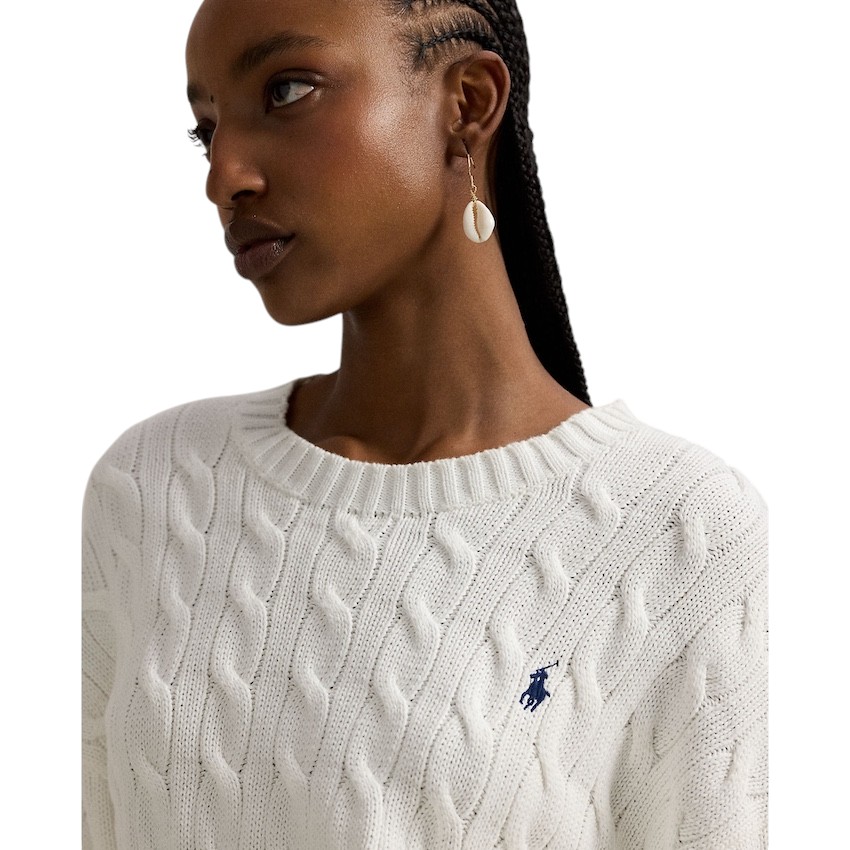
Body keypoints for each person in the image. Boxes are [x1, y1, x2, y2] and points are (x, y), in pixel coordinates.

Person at [81, 0, 768, 847]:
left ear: (468, 102)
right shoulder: (153, 488)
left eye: (287, 91)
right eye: (206, 130)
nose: (224, 177)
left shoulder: (681, 532)